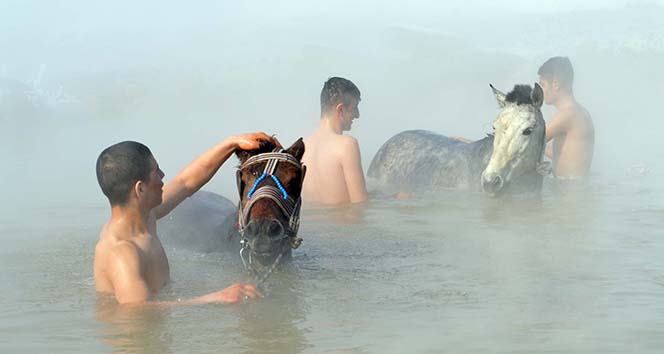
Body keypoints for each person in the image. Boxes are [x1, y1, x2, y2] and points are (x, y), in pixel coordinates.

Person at [94, 133, 279, 305]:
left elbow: (186, 182)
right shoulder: (122, 252)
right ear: (140, 189)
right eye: (156, 170)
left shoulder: (145, 216)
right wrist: (216, 297)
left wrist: (232, 143)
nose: (163, 176)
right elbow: (137, 312)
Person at [301, 77, 368, 205]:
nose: (357, 115)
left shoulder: (302, 147)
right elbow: (361, 205)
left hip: (312, 224)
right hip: (342, 224)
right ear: (340, 109)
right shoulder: (346, 145)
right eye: (354, 108)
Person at [538, 56, 594, 179]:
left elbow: (533, 140)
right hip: (576, 189)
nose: (539, 91)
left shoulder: (567, 115)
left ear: (555, 84)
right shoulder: (580, 113)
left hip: (567, 193)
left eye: (542, 85)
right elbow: (566, 156)